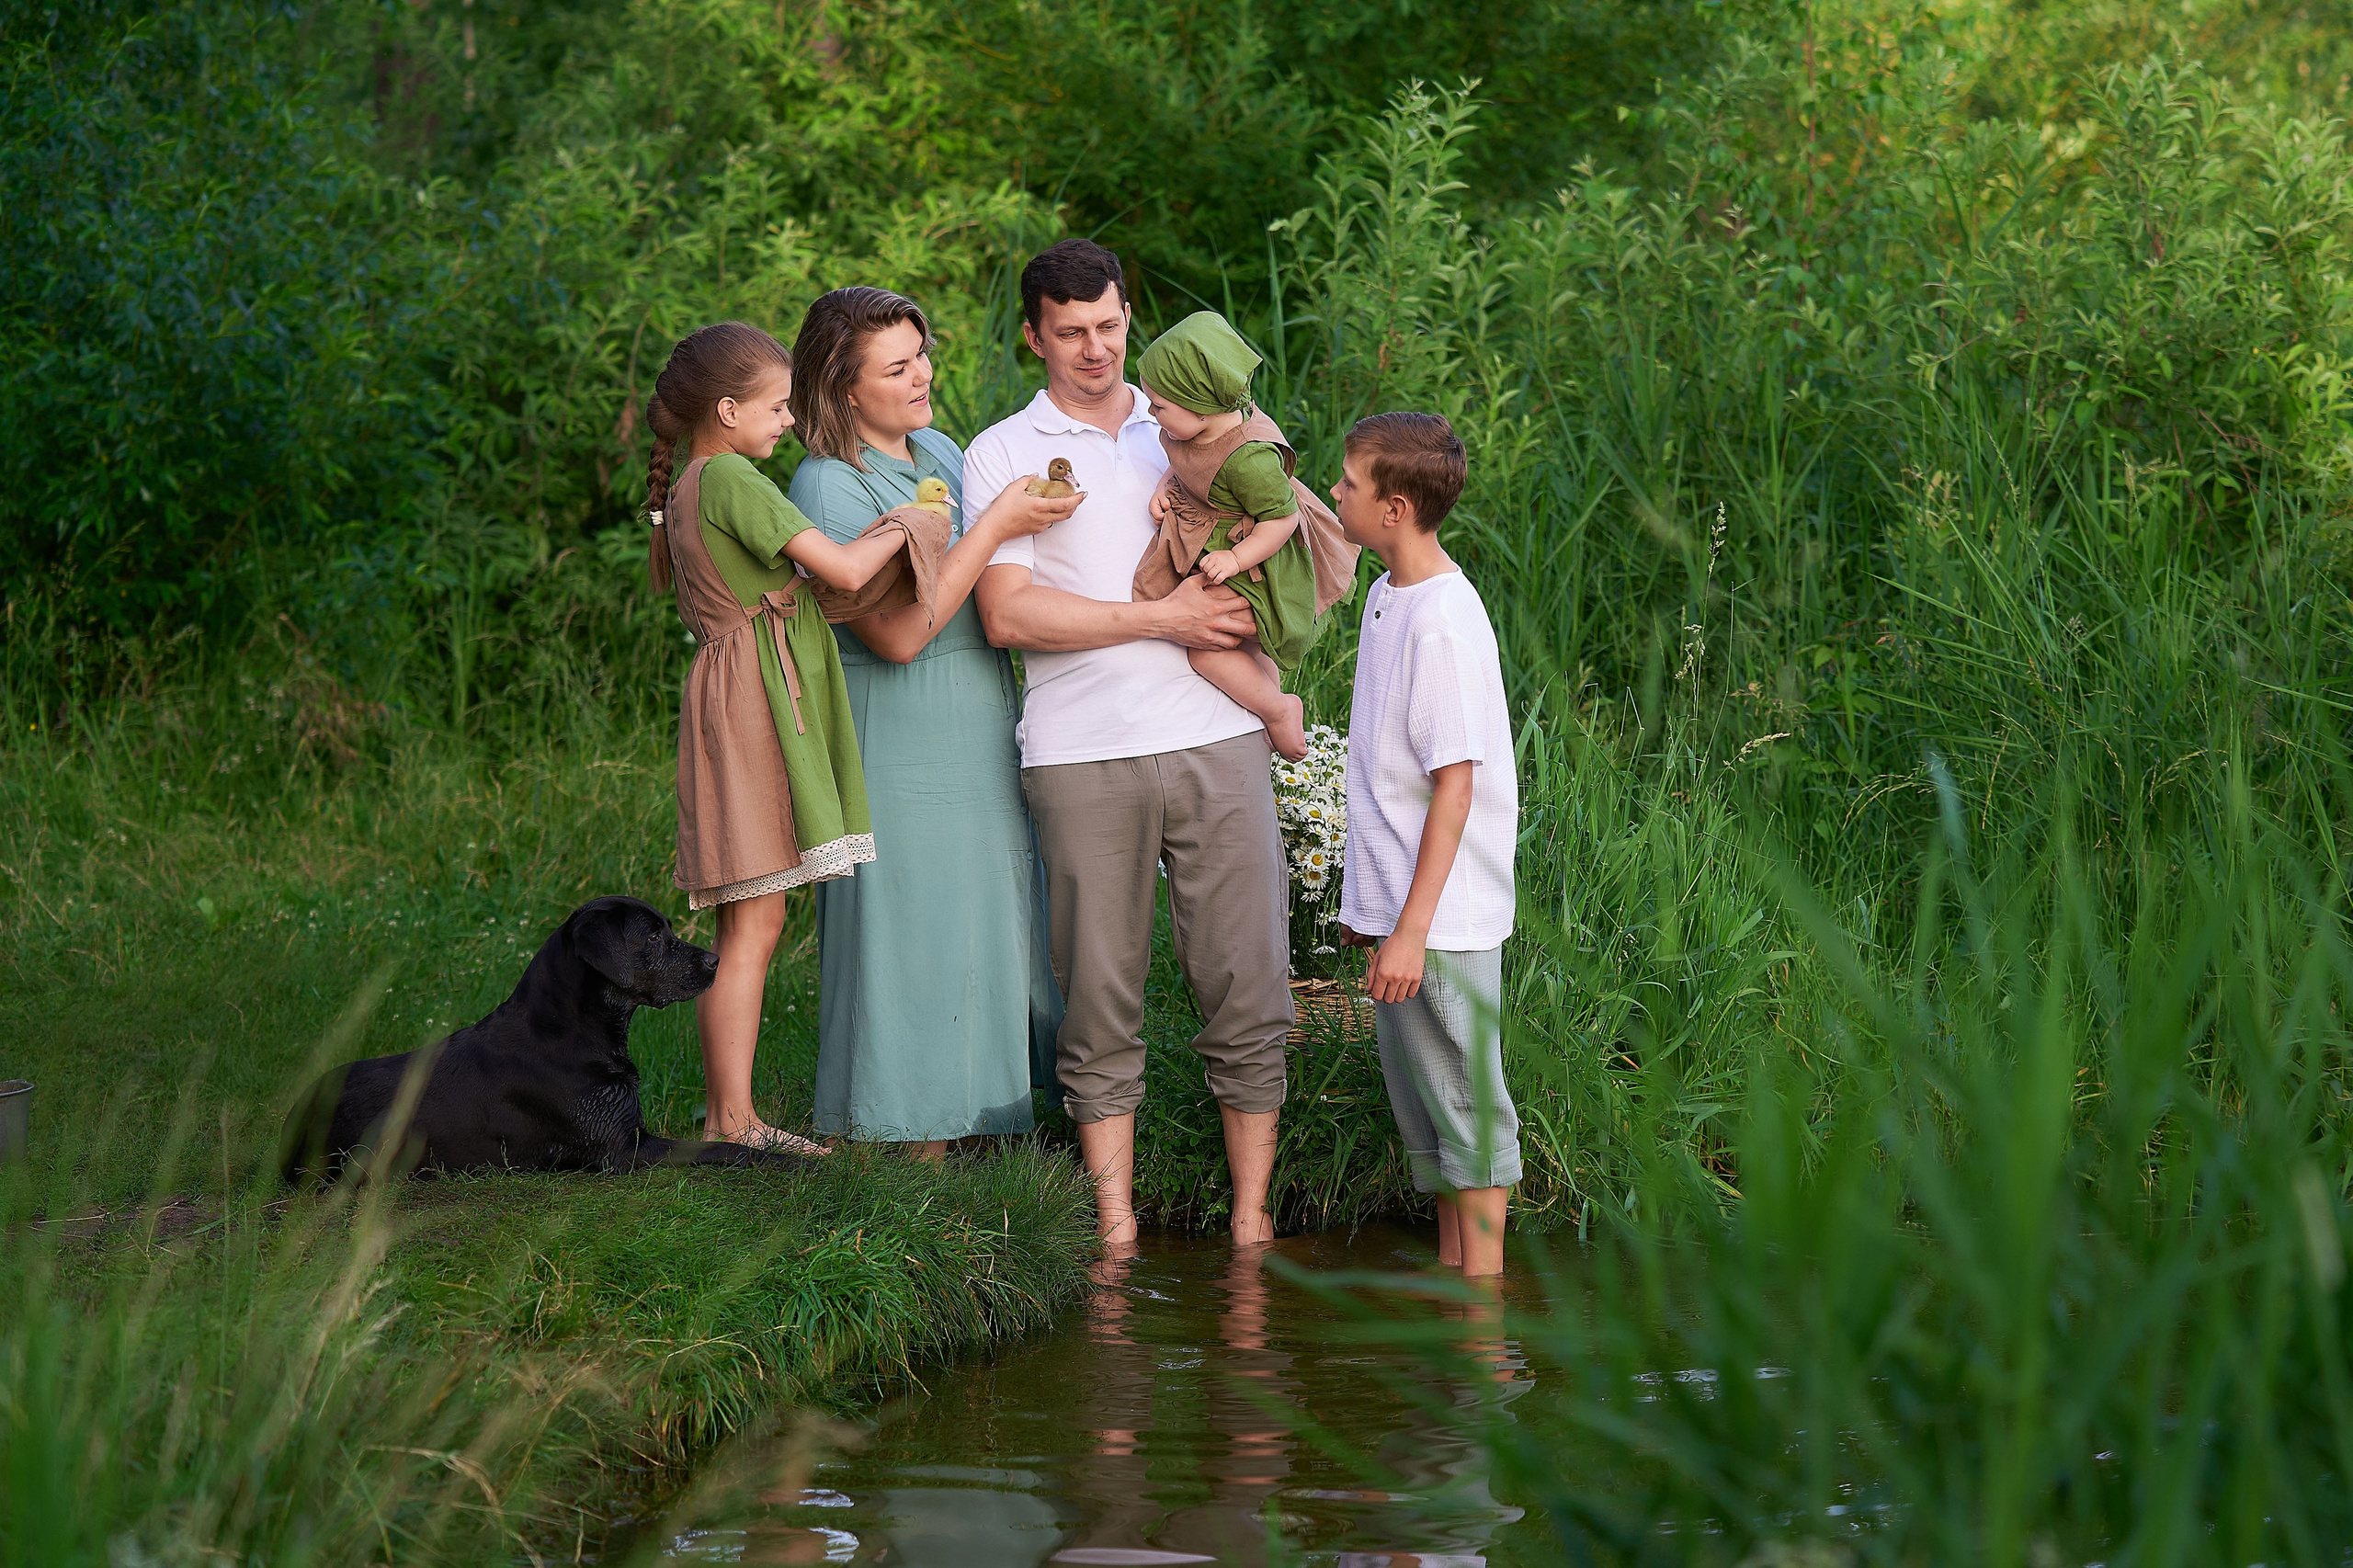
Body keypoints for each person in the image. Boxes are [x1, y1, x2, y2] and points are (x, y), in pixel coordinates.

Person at [971, 239, 1294, 1251]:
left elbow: (1278, 530)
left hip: (1219, 735)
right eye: (1069, 332)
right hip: (1080, 751)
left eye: (1109, 325)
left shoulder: (1187, 425)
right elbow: (1011, 615)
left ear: (1128, 317)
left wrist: (1246, 623)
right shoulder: (1003, 451)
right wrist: (1165, 619)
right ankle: (1114, 1228)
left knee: (1248, 980)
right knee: (1099, 997)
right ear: (1033, 335)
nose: (1095, 348)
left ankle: (1251, 1220)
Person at [784, 286, 1079, 1157]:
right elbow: (901, 635)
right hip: (900, 728)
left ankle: (989, 1124)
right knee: (913, 927)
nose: (922, 375)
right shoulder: (826, 487)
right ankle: (913, 1151)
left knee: (993, 915)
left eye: (922, 354)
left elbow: (988, 575)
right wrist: (995, 526)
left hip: (980, 715)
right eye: (897, 366)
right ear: (842, 388)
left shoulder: (942, 450)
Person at [643, 320, 910, 1154]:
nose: (790, 420)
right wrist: (916, 521)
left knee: (749, 921)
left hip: (733, 689)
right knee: (754, 924)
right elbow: (843, 570)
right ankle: (734, 1124)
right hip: (758, 698)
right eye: (775, 406)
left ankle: (734, 1117)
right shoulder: (730, 477)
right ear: (726, 410)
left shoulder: (691, 482)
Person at [1331, 411, 1522, 1278]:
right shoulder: (1387, 597)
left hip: (1442, 917)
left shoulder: (1442, 621)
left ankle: (1483, 1314)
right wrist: (1366, 903)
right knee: (1430, 1112)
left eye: (1348, 483)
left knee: (1468, 1107)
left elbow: (1456, 784)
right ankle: (1455, 1282)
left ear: (1395, 508)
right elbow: (1384, 771)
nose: (1335, 493)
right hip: (1401, 906)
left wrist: (1409, 928)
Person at [1132, 310, 1349, 764]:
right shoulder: (1194, 427)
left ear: (1200, 403)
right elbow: (1187, 462)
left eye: (1160, 406)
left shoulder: (1248, 458)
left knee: (1206, 649)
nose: (1151, 414)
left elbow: (1283, 519)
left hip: (1255, 557)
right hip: (1228, 543)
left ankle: (1277, 707)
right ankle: (1268, 706)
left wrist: (1236, 560)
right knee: (1249, 647)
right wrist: (1163, 488)